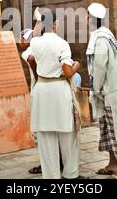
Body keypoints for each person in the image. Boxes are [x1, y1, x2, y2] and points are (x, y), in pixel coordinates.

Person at [26, 9, 82, 179]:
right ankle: (70, 175)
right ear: (56, 24)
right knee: (68, 135)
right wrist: (76, 65)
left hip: (42, 90)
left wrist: (37, 21)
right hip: (59, 90)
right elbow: (67, 72)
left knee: (45, 137)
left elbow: (30, 55)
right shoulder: (62, 43)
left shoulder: (35, 43)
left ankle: (51, 176)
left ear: (43, 23)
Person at [86, 3, 117, 179]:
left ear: (91, 19)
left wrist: (95, 89)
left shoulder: (101, 39)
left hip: (108, 92)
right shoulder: (102, 36)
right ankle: (113, 164)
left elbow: (99, 66)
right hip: (106, 93)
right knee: (107, 129)